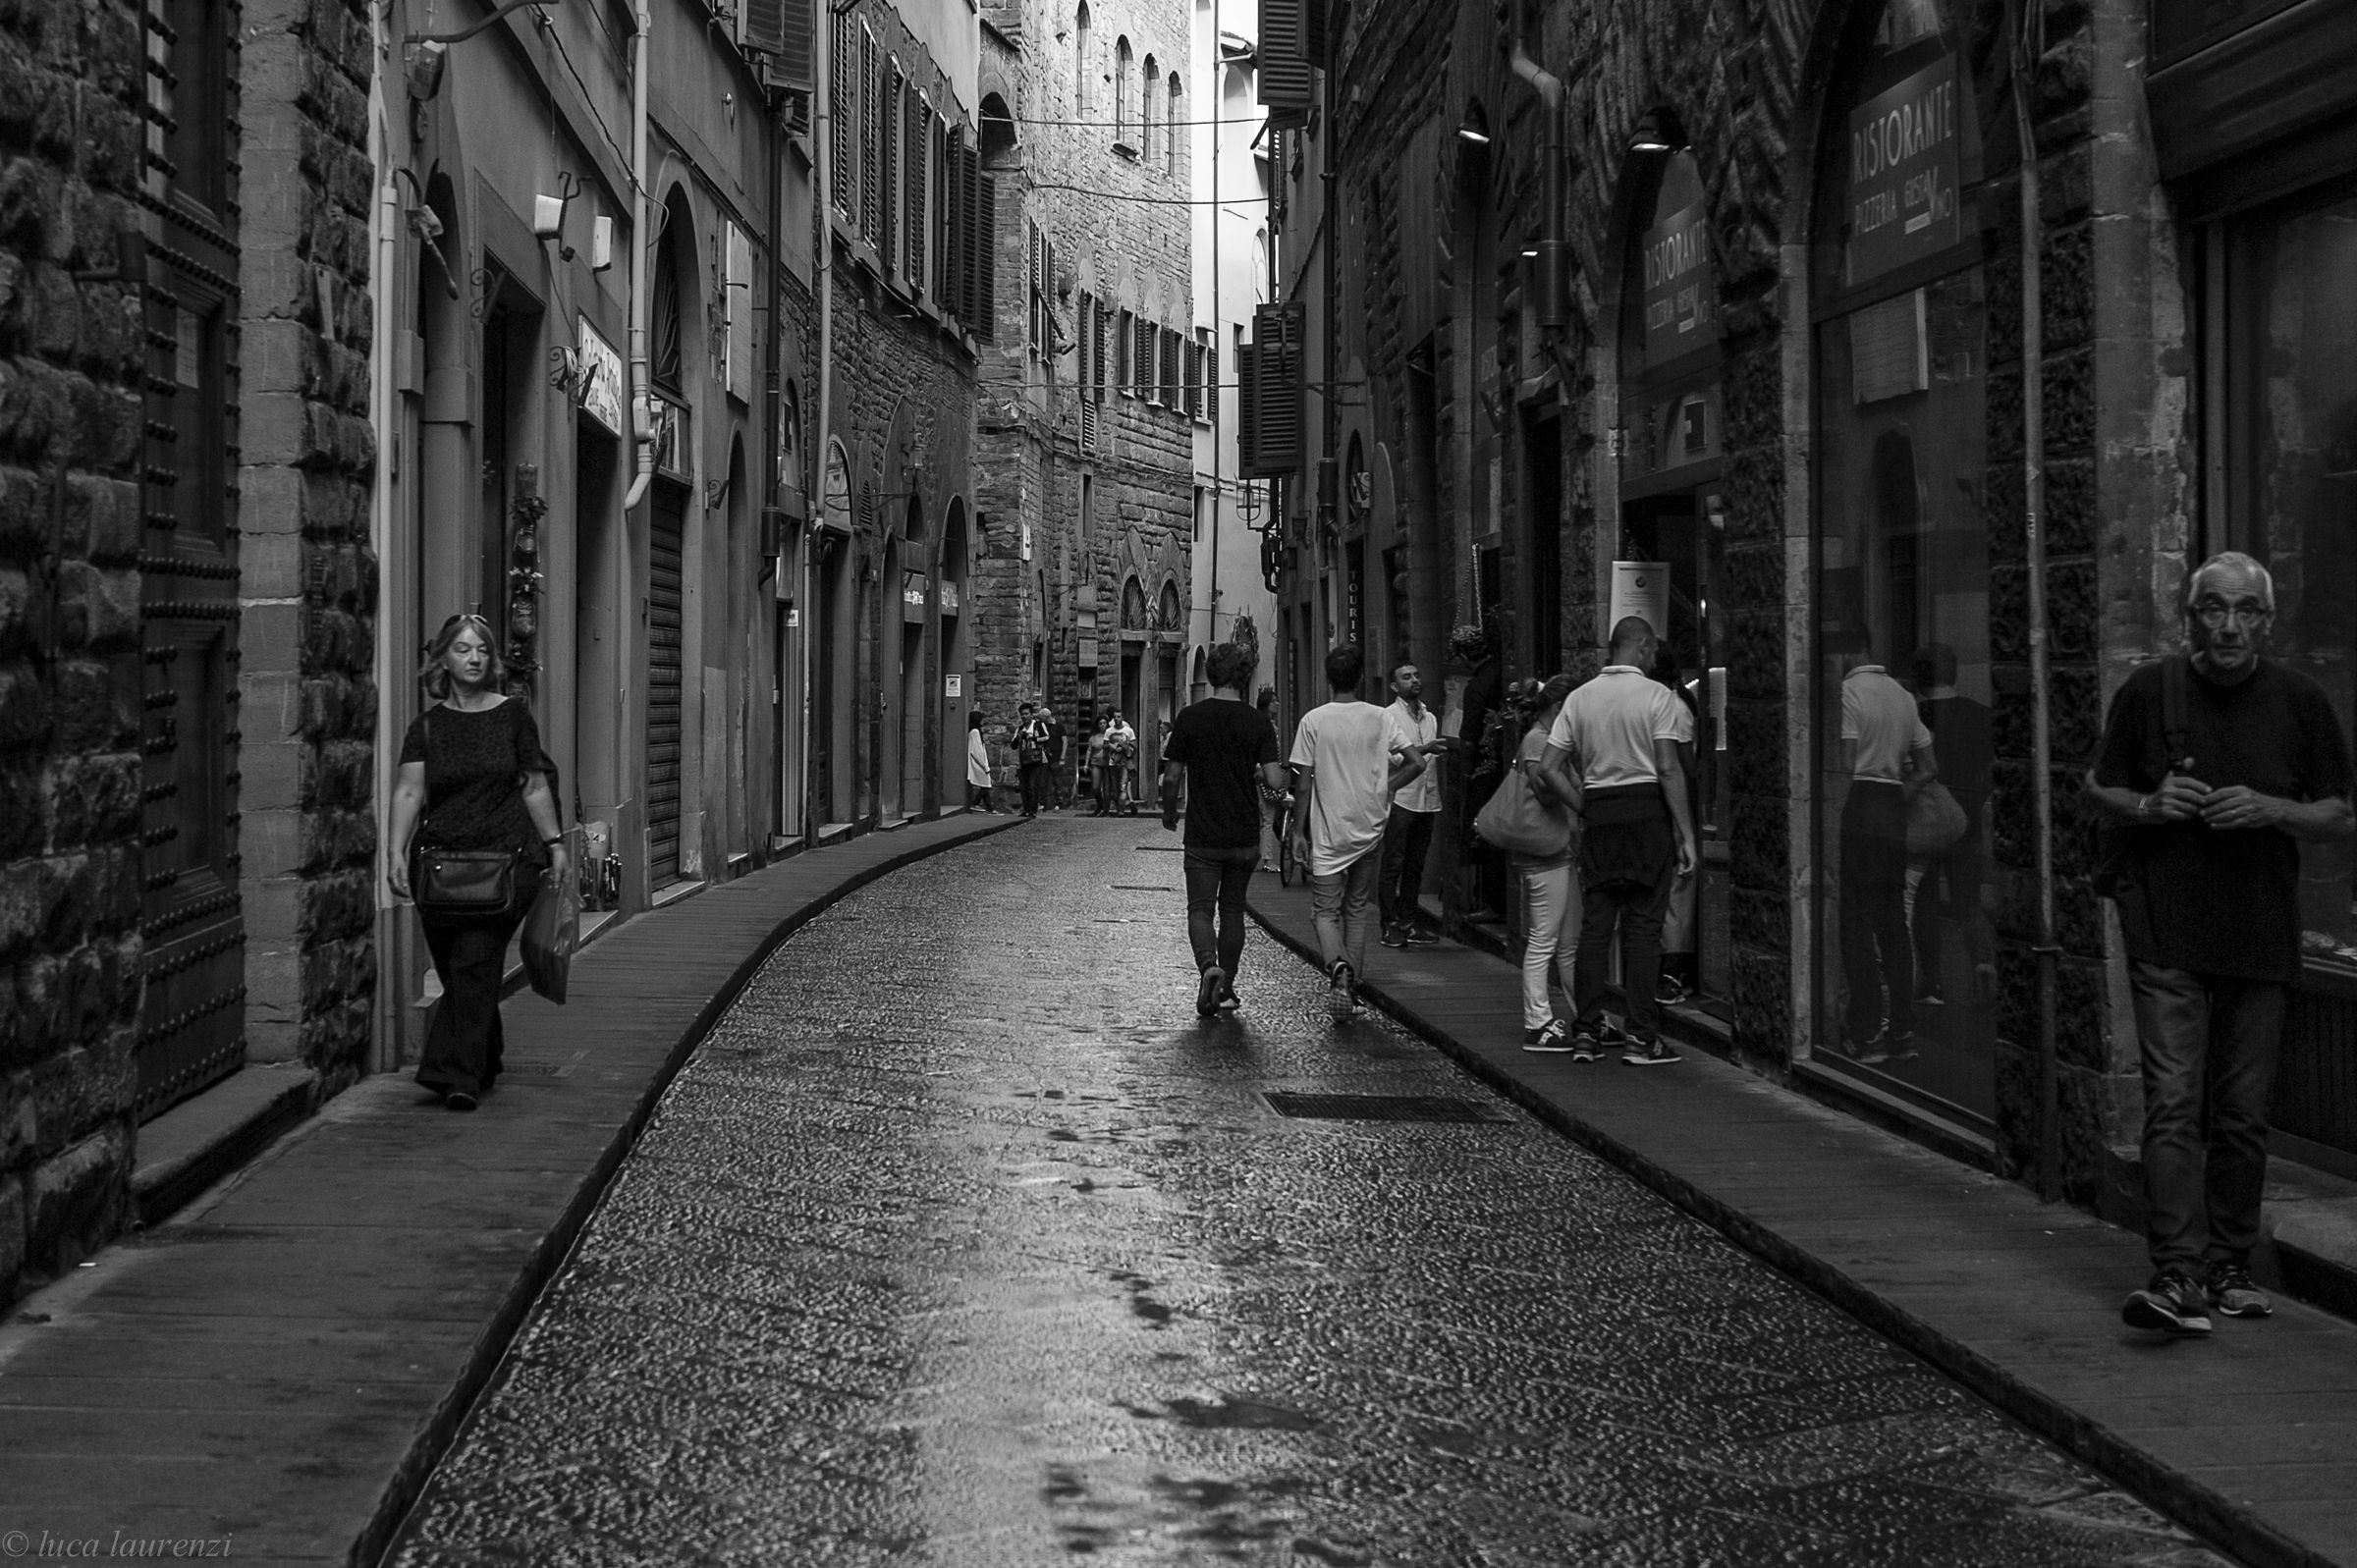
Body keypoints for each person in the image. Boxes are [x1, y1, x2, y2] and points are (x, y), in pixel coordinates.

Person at [2088, 552, 2354, 1336]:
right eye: (2214, 608)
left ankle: (2230, 1264)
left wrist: (2273, 809)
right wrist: (2149, 803)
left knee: (2241, 1110)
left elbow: (2340, 812)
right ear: (2189, 615)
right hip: (2167, 928)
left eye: (2246, 610)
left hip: (2261, 930)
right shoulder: (2152, 691)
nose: (2230, 625)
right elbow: (2095, 788)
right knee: (2174, 1102)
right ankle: (2176, 1272)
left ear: (2267, 621)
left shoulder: (2300, 700)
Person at [386, 614, 571, 1111]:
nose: (474, 659)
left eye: (482, 650)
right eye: (463, 649)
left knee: (473, 961)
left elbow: (533, 784)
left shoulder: (512, 717)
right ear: (443, 659)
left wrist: (555, 844)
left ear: (492, 660)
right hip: (440, 869)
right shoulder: (427, 728)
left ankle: (456, 1074)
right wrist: (394, 851)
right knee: (460, 970)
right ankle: (485, 1054)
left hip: (508, 862)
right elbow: (409, 791)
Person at [1543, 617, 1699, 1065]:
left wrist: (1584, 806)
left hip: (1601, 815)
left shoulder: (1580, 698)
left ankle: (1586, 1033)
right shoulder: (1657, 696)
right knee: (1644, 930)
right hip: (1647, 814)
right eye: (1651, 652)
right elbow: (1668, 768)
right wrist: (1686, 833)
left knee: (1596, 928)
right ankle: (1641, 1037)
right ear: (1643, 647)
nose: (1652, 659)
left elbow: (1549, 767)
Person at [1290, 644, 1427, 1014]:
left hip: (1330, 831)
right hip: (1371, 826)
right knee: (1356, 908)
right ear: (1361, 679)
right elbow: (1417, 762)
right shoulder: (1380, 717)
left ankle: (1337, 966)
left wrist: (1298, 833)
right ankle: (1352, 989)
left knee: (1324, 912)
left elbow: (1303, 784)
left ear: (1328, 679)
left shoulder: (1314, 720)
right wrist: (1388, 787)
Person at [1161, 642, 1288, 1015]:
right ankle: (1227, 988)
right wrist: (1255, 771)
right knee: (1232, 910)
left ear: (1212, 675)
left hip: (1203, 833)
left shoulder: (1190, 717)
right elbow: (1275, 781)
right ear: (1244, 676)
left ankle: (1208, 967)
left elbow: (1172, 776)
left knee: (1200, 910)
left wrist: (1170, 812)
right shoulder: (1257, 722)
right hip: (1244, 833)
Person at [1837, 644, 1938, 1061]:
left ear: (1849, 653)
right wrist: (1902, 793)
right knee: (1893, 921)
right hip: (1892, 805)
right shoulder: (1903, 696)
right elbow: (1929, 765)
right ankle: (1903, 1028)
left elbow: (1846, 763)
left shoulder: (1849, 692)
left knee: (1856, 922)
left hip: (1860, 801)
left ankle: (1866, 1030)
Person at [1910, 642, 1994, 1006]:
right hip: (1966, 821)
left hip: (1925, 821)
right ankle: (1983, 969)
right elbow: (1991, 770)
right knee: (1969, 904)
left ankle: (1932, 983)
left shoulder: (1915, 716)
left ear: (1920, 678)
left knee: (1925, 905)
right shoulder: (1980, 715)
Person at [1513, 675, 1585, 1051]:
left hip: (1559, 850)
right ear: (1559, 708)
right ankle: (1537, 1021)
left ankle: (1586, 1017)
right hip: (1544, 852)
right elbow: (1544, 790)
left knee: (1568, 944)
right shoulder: (1539, 740)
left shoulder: (1546, 739)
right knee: (1544, 940)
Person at [1379, 657, 1449, 947]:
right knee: (1393, 862)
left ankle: (1408, 921)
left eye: (1417, 675)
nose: (1415, 680)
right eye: (1406, 677)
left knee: (1416, 864)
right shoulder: (1388, 717)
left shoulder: (1430, 717)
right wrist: (1426, 748)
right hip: (1402, 798)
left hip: (1428, 799)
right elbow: (1393, 758)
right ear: (1395, 686)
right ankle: (1389, 924)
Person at [1650, 645, 1703, 1005]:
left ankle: (1673, 969)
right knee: (1674, 888)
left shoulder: (1673, 705)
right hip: (1664, 801)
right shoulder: (1666, 703)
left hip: (1671, 802)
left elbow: (1683, 765)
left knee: (1677, 888)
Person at [1255, 685, 1285, 870]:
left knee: (1264, 818)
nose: (1277, 704)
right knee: (1268, 818)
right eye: (1274, 701)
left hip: (1263, 773)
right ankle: (1267, 859)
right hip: (1265, 774)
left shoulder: (1264, 724)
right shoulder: (1267, 726)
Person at [1014, 702, 1051, 818]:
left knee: (1032, 785)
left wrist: (1034, 739)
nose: (1024, 716)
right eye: (1022, 714)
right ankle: (1026, 809)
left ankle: (1032, 810)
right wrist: (1019, 737)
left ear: (1031, 714)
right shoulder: (1020, 729)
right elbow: (1013, 745)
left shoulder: (1038, 725)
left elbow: (1047, 737)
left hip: (1036, 760)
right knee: (1024, 787)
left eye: (1026, 714)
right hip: (1023, 760)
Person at [1101, 710, 1137, 812]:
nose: (1117, 719)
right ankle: (1118, 807)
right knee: (1114, 787)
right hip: (1112, 762)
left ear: (1122, 718)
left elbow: (1134, 746)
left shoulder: (1129, 731)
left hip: (1124, 762)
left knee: (1123, 786)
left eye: (1119, 717)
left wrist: (1124, 747)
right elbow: (1105, 745)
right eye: (1115, 717)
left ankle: (1121, 810)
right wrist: (1112, 746)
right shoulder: (1109, 731)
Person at [965, 711, 995, 811]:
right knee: (986, 785)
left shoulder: (974, 731)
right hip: (978, 763)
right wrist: (985, 766)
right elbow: (977, 751)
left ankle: (990, 808)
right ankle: (975, 803)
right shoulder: (975, 732)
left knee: (985, 785)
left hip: (978, 762)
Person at [1043, 703, 1069, 810]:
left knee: (1057, 781)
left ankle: (1059, 802)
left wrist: (1062, 757)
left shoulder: (1059, 726)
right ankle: (1046, 803)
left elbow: (1065, 742)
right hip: (1047, 757)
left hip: (1057, 757)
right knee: (1045, 781)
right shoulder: (1045, 727)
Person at [1084, 716, 1111, 814]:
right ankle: (1100, 804)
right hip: (1096, 763)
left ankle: (1106, 809)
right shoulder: (1093, 737)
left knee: (1107, 788)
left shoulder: (1109, 735)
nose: (1102, 725)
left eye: (1104, 723)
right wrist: (1086, 764)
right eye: (1100, 723)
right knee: (1096, 787)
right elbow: (1089, 750)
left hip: (1107, 763)